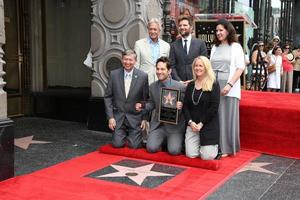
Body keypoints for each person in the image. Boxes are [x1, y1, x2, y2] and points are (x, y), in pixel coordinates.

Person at [210, 19, 245, 157]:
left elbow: (240, 68)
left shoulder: (236, 47)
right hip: (214, 85)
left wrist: (229, 85)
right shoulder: (214, 47)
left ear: (228, 30)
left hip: (229, 87)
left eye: (221, 30)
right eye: (217, 30)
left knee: (227, 117)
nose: (218, 33)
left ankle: (227, 148)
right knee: (217, 116)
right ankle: (217, 145)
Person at [136, 57, 186, 155]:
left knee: (174, 151)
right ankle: (163, 140)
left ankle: (172, 140)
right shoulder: (153, 86)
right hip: (159, 125)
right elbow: (152, 104)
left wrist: (181, 105)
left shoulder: (180, 87)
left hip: (174, 126)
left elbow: (187, 107)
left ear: (169, 71)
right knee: (151, 148)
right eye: (157, 69)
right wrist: (142, 105)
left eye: (162, 69)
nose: (159, 72)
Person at [104, 49, 149, 149]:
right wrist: (110, 117)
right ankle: (121, 135)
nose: (127, 62)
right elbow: (107, 97)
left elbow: (145, 99)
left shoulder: (143, 76)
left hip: (134, 117)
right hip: (118, 117)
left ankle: (133, 136)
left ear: (135, 61)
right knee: (117, 144)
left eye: (130, 60)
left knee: (135, 145)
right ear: (121, 60)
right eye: (125, 59)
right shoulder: (114, 74)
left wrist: (145, 118)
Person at [183, 56, 220, 160]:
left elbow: (214, 108)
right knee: (191, 155)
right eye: (196, 65)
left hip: (208, 125)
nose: (197, 68)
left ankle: (215, 148)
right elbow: (185, 106)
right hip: (192, 125)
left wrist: (201, 123)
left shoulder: (214, 84)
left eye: (200, 65)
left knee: (207, 157)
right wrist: (190, 122)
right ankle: (201, 145)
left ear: (206, 67)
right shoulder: (190, 85)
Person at [169, 15, 207, 86]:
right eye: (180, 25)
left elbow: (204, 65)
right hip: (179, 85)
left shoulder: (200, 44)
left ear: (191, 27)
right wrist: (179, 81)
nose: (182, 27)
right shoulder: (173, 45)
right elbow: (172, 66)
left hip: (197, 83)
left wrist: (194, 80)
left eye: (185, 25)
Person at [134, 18, 170, 85]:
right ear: (148, 30)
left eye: (155, 29)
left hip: (161, 82)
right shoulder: (139, 44)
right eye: (150, 29)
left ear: (159, 30)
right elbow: (136, 65)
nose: (152, 31)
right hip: (143, 82)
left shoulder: (166, 46)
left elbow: (167, 66)